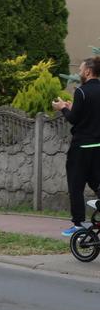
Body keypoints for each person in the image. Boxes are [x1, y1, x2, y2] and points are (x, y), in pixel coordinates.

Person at [52, 56, 100, 236]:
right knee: (97, 182)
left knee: (76, 185)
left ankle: (78, 224)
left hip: (81, 147)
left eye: (80, 70)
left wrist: (63, 107)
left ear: (88, 71)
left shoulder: (82, 92)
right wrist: (74, 108)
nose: (79, 72)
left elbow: (73, 119)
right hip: (98, 146)